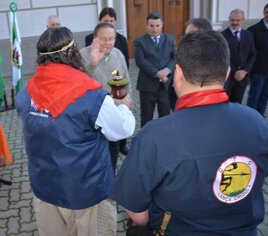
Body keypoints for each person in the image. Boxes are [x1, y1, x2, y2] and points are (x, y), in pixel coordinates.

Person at [110, 30, 268, 235]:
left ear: (178, 73)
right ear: (227, 72)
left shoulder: (155, 135)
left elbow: (135, 208)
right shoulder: (256, 121)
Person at [16, 27, 135, 236]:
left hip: (45, 187)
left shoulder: (26, 91)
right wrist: (123, 106)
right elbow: (123, 129)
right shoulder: (92, 96)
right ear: (71, 52)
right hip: (85, 192)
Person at [80, 23, 132, 172]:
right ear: (95, 38)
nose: (108, 43)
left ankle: (110, 180)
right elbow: (78, 82)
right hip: (91, 115)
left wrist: (126, 105)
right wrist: (93, 64)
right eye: (103, 39)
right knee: (93, 153)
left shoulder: (118, 54)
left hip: (113, 113)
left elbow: (126, 80)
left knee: (112, 150)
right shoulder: (82, 55)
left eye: (111, 39)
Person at [134, 12, 175, 127]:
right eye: (151, 26)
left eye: (157, 25)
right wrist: (157, 73)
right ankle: (145, 142)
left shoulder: (170, 39)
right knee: (146, 119)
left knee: (166, 117)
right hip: (147, 86)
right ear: (147, 25)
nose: (154, 29)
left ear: (162, 25)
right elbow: (140, 61)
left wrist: (167, 70)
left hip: (165, 86)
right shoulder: (139, 41)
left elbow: (175, 57)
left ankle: (165, 140)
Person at [169, 17, 212, 110]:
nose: (185, 39)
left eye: (190, 35)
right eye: (186, 35)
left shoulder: (215, 58)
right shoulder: (183, 50)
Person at [222, 9, 256, 103]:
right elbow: (222, 57)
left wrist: (244, 71)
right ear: (229, 19)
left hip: (242, 79)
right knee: (225, 104)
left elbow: (252, 55)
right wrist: (236, 72)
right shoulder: (222, 36)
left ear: (243, 19)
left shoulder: (249, 35)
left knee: (238, 105)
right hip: (228, 79)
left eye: (238, 20)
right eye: (232, 20)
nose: (235, 23)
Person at [247, 3, 268, 116]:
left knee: (264, 97)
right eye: (267, 12)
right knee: (254, 96)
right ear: (264, 13)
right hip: (257, 71)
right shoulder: (254, 30)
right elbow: (250, 52)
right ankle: (251, 118)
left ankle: (260, 119)